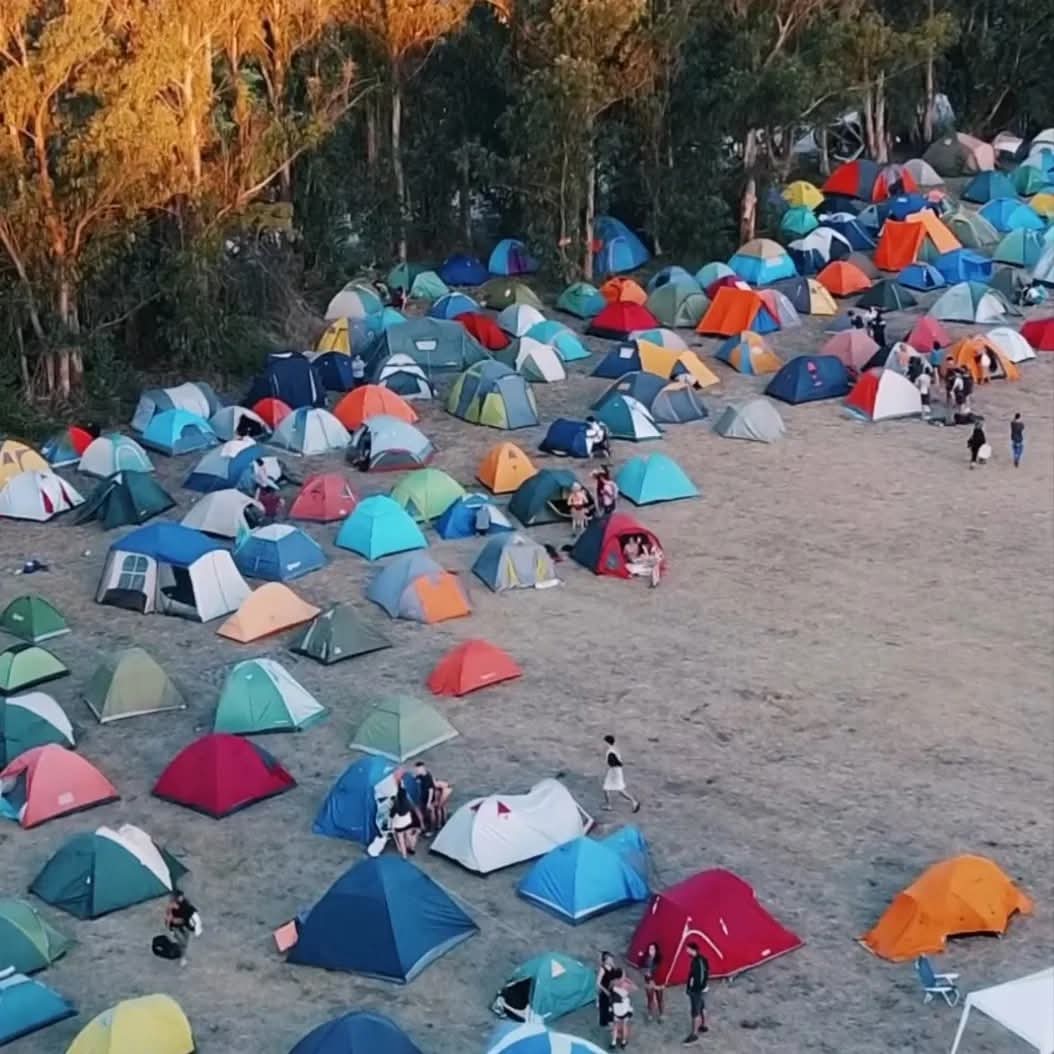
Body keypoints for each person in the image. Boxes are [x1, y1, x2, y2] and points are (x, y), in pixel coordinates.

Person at [602, 734, 641, 813]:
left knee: (612, 789)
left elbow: (614, 763)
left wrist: (609, 764)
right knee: (612, 789)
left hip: (614, 772)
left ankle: (633, 802)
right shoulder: (614, 749)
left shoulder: (610, 752)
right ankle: (610, 805)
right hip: (615, 771)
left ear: (607, 742)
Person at [413, 760, 451, 834]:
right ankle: (439, 824)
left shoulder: (428, 778)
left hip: (432, 797)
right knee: (435, 809)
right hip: (427, 796)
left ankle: (433, 828)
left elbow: (431, 791)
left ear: (422, 768)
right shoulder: (420, 775)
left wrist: (429, 802)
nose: (416, 771)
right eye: (416, 769)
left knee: (434, 811)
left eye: (417, 769)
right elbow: (416, 779)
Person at [164, 890, 200, 967]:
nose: (181, 898)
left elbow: (190, 912)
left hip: (184, 925)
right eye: (180, 897)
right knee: (182, 942)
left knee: (185, 942)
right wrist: (169, 926)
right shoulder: (171, 906)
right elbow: (168, 917)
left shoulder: (185, 904)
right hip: (175, 927)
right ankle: (182, 957)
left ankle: (180, 951)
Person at [683, 942, 709, 1044]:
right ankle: (704, 1025)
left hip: (697, 991)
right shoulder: (701, 959)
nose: (686, 951)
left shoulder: (698, 961)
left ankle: (694, 1034)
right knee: (702, 1007)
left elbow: (701, 977)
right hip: (701, 989)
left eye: (687, 949)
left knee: (695, 1012)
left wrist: (694, 989)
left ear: (693, 950)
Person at [390, 771, 419, 858]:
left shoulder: (396, 803)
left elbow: (392, 814)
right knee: (408, 834)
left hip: (399, 823)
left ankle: (404, 856)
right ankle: (412, 847)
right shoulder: (407, 801)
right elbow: (402, 788)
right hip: (407, 820)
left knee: (401, 839)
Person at [597, 953, 618, 1041]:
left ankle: (610, 1022)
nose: (611, 960)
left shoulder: (612, 967)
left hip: (611, 989)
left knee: (611, 1007)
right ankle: (605, 1023)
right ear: (605, 960)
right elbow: (598, 983)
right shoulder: (603, 969)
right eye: (610, 959)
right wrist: (605, 991)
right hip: (605, 991)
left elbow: (616, 975)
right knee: (604, 1008)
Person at [641, 942, 664, 1022]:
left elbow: (660, 970)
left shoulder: (659, 959)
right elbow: (641, 968)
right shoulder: (645, 958)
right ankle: (650, 1013)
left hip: (658, 981)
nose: (651, 951)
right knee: (650, 998)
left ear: (656, 950)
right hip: (648, 981)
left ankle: (661, 1014)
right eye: (650, 949)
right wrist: (645, 972)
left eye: (652, 949)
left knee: (659, 998)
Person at [610, 971, 633, 1049]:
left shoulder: (613, 985)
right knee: (624, 1025)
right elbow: (635, 988)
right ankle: (623, 1042)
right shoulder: (626, 985)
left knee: (615, 1026)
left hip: (616, 1008)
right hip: (624, 1008)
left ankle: (613, 1042)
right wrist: (628, 980)